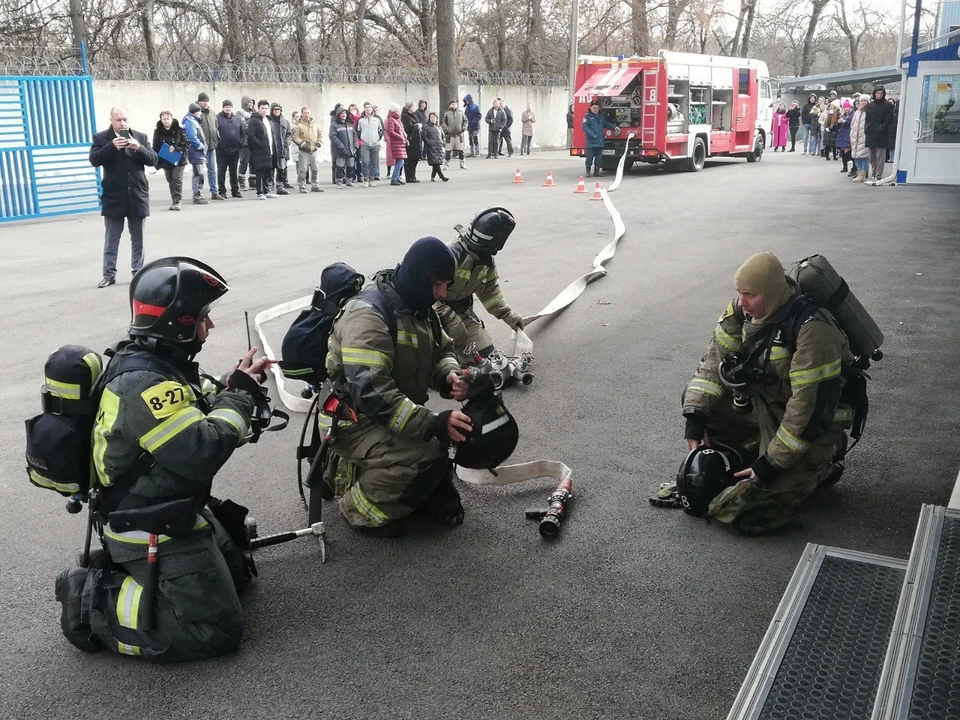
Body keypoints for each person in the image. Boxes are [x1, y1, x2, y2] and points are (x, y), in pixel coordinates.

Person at [54, 256, 273, 661]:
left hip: (173, 506)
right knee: (214, 632)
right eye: (203, 317)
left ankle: (145, 580)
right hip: (147, 523)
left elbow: (204, 404)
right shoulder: (142, 383)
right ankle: (91, 600)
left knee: (240, 576)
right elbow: (201, 451)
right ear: (179, 322)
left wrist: (236, 383)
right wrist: (239, 397)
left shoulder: (165, 364)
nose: (210, 326)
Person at [674, 252, 854, 535]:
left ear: (770, 293)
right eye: (739, 293)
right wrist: (695, 418)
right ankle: (756, 446)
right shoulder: (741, 310)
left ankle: (825, 460)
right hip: (766, 403)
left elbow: (808, 411)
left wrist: (771, 464)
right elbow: (712, 364)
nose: (742, 302)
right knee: (697, 400)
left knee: (762, 499)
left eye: (750, 295)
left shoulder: (814, 330)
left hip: (812, 419)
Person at [323, 236, 471, 537]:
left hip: (387, 411)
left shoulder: (419, 306)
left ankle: (390, 478)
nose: (443, 293)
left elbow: (443, 350)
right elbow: (373, 394)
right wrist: (432, 424)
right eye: (439, 284)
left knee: (439, 441)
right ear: (421, 278)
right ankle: (359, 510)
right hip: (354, 420)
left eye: (447, 284)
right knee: (426, 451)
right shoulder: (368, 316)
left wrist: (449, 376)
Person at [436, 207, 524, 364]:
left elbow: (490, 292)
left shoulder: (485, 260)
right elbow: (422, 292)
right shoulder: (450, 256)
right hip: (431, 315)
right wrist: (445, 315)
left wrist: (507, 315)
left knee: (486, 359)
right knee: (443, 360)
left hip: (460, 312)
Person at [89, 107, 158, 288]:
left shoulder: (140, 137)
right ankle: (109, 274)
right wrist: (111, 146)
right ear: (111, 120)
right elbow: (94, 159)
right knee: (112, 239)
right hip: (114, 196)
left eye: (125, 119)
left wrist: (139, 147)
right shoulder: (101, 138)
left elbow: (153, 160)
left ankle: (138, 272)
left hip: (137, 194)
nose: (122, 123)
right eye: (118, 120)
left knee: (138, 238)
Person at [151, 110, 188, 212]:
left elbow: (187, 143)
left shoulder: (179, 130)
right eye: (164, 119)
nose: (166, 121)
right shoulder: (158, 131)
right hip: (166, 159)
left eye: (168, 118)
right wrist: (156, 160)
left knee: (177, 179)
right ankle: (174, 200)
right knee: (170, 180)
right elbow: (155, 146)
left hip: (179, 159)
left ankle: (178, 201)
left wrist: (175, 147)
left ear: (171, 119)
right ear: (161, 120)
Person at [247, 99, 278, 200]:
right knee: (260, 171)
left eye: (266, 108)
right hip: (259, 150)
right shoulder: (254, 121)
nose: (264, 110)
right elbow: (251, 136)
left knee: (267, 171)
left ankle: (267, 191)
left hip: (269, 150)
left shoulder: (268, 120)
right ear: (258, 108)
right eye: (262, 108)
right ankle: (259, 192)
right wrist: (260, 145)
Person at [196, 92, 224, 201]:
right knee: (199, 172)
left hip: (212, 145)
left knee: (212, 169)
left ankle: (214, 192)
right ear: (199, 101)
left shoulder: (212, 113)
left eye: (207, 101)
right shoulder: (195, 113)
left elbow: (215, 127)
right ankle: (198, 193)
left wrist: (217, 139)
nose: (205, 103)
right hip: (200, 147)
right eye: (203, 101)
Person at [216, 100, 245, 198]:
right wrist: (218, 144)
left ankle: (235, 190)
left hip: (234, 150)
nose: (228, 109)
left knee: (233, 172)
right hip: (222, 151)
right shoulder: (218, 119)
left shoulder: (237, 119)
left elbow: (243, 133)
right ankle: (222, 191)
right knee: (221, 172)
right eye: (226, 107)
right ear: (223, 108)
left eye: (230, 107)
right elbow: (214, 132)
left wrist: (240, 143)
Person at [865, 85, 895, 181]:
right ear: (874, 94)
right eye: (878, 93)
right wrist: (866, 128)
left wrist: (882, 128)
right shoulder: (870, 105)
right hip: (870, 133)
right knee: (872, 157)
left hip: (881, 134)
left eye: (881, 93)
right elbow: (867, 119)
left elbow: (889, 119)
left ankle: (878, 175)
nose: (879, 95)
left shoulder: (887, 105)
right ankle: (873, 173)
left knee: (880, 157)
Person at [182, 103, 209, 205]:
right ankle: (196, 195)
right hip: (195, 151)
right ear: (195, 112)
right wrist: (201, 146)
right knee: (198, 174)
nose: (200, 113)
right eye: (198, 111)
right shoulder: (190, 121)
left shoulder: (192, 120)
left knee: (198, 173)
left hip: (197, 152)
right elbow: (192, 137)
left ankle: (198, 194)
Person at [293, 106, 324, 193]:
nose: (307, 115)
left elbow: (320, 133)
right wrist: (302, 144)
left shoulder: (315, 124)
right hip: (304, 150)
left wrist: (319, 142)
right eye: (305, 113)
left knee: (315, 169)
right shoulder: (298, 125)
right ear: (302, 114)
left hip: (314, 149)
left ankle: (315, 185)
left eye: (308, 113)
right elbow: (295, 136)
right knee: (302, 169)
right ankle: (302, 186)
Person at [581, 99, 616, 177]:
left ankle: (596, 171)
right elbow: (584, 127)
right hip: (592, 142)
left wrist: (614, 127)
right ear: (590, 108)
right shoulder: (587, 117)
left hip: (600, 141)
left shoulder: (600, 117)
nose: (595, 109)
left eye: (597, 108)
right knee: (589, 158)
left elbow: (606, 124)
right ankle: (588, 171)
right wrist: (593, 135)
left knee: (599, 158)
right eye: (594, 108)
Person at [329, 106, 358, 188]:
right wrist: (341, 146)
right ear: (338, 115)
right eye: (342, 113)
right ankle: (339, 183)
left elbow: (355, 135)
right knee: (339, 167)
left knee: (350, 166)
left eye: (345, 113)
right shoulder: (334, 125)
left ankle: (349, 181)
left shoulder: (350, 124)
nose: (344, 115)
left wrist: (355, 146)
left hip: (351, 150)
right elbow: (333, 137)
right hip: (340, 151)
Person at [356, 101, 383, 187]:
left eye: (369, 107)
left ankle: (371, 179)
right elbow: (357, 131)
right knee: (365, 161)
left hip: (375, 144)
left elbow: (382, 129)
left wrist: (378, 137)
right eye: (366, 107)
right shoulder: (360, 120)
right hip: (365, 144)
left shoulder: (377, 119)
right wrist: (361, 138)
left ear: (372, 109)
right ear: (364, 109)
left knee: (374, 162)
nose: (368, 109)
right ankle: (366, 179)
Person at [268, 103, 292, 194]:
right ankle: (270, 186)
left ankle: (280, 186)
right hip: (272, 149)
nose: (277, 111)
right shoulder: (268, 121)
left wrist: (286, 143)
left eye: (278, 109)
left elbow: (289, 134)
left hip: (282, 149)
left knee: (281, 169)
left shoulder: (285, 122)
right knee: (270, 169)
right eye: (275, 110)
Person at [441, 98, 467, 170]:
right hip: (450, 135)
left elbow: (465, 121)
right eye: (452, 104)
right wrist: (446, 129)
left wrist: (463, 128)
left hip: (459, 135)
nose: (453, 105)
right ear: (450, 105)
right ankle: (446, 165)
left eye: (455, 104)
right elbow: (443, 122)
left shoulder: (461, 113)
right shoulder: (446, 113)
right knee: (448, 151)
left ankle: (462, 164)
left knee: (461, 150)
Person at [386, 102, 407, 186]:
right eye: (397, 109)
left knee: (400, 161)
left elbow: (401, 129)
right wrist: (400, 136)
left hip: (400, 142)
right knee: (400, 161)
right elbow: (391, 132)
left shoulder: (398, 119)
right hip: (396, 142)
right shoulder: (391, 119)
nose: (399, 111)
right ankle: (394, 178)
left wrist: (404, 135)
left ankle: (397, 177)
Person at [401, 101, 423, 183]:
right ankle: (409, 176)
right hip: (411, 140)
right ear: (409, 108)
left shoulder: (414, 115)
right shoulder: (405, 117)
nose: (414, 108)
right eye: (413, 107)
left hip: (417, 140)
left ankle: (413, 176)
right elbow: (408, 127)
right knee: (410, 159)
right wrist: (417, 126)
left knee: (415, 159)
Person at [849, 95, 870, 182]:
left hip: (864, 137)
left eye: (865, 100)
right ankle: (859, 172)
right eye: (861, 101)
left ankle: (863, 174)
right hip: (855, 138)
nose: (863, 102)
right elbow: (853, 124)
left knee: (864, 157)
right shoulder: (857, 112)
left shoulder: (869, 112)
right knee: (857, 157)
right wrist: (852, 134)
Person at [423, 112, 448, 182]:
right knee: (435, 162)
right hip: (431, 147)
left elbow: (443, 136)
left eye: (434, 117)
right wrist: (429, 143)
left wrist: (443, 143)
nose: (433, 119)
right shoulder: (426, 127)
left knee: (436, 163)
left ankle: (433, 176)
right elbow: (424, 137)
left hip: (439, 146)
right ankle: (442, 176)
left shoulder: (439, 127)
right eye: (431, 117)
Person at [236, 95, 255, 191]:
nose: (251, 104)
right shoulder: (240, 113)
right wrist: (253, 129)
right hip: (245, 142)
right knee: (244, 162)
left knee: (253, 162)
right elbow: (243, 126)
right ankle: (241, 182)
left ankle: (252, 182)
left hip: (254, 141)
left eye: (252, 102)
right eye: (249, 102)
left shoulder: (254, 113)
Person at [835, 102, 853, 176]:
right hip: (842, 134)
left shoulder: (852, 115)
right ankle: (844, 167)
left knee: (848, 150)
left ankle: (853, 167)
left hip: (848, 134)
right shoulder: (842, 115)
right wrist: (839, 122)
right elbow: (838, 126)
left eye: (847, 107)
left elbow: (851, 124)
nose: (846, 109)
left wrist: (844, 121)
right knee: (842, 151)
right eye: (844, 107)